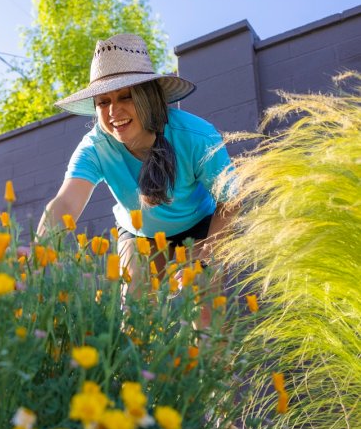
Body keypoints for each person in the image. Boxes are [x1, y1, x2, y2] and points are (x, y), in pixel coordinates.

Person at [36, 33, 238, 290]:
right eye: (103, 102)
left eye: (125, 96)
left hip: (200, 226)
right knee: (134, 310)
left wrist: (205, 257)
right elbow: (66, 201)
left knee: (205, 310)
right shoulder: (95, 146)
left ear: (149, 97)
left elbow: (231, 201)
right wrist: (37, 250)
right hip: (139, 233)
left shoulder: (197, 136)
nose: (113, 111)